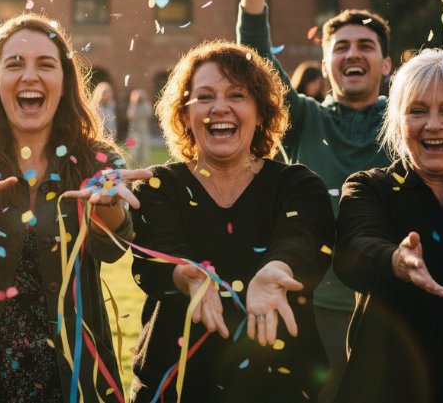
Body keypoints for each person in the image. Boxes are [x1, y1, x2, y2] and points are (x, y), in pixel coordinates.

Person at [235, 0, 443, 401]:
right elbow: (259, 67)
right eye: (341, 46)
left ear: (387, 63)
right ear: (325, 64)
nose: (353, 53)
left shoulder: (410, 121)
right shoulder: (304, 118)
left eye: (366, 45)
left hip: (399, 304)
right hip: (318, 304)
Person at [0, 13, 151, 402]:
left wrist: (107, 207)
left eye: (45, 64)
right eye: (14, 64)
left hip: (71, 373)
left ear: (64, 83)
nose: (29, 75)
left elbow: (113, 249)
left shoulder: (99, 161)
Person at [129, 41, 334, 402]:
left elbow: (304, 239)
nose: (219, 107)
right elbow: (154, 255)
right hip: (173, 389)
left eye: (237, 95)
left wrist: (277, 267)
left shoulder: (298, 185)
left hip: (277, 389)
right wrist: (185, 272)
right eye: (204, 96)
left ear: (261, 112)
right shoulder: (161, 185)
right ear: (185, 113)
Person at [334, 49, 443, 402]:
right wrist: (395, 260)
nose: (433, 125)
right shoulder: (369, 188)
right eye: (417, 111)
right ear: (397, 121)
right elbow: (353, 249)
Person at [125, 88, 154, 165]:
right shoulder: (132, 105)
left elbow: (148, 114)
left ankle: (144, 163)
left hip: (143, 130)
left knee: (144, 148)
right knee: (132, 148)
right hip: (133, 131)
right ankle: (132, 162)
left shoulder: (146, 104)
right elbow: (130, 115)